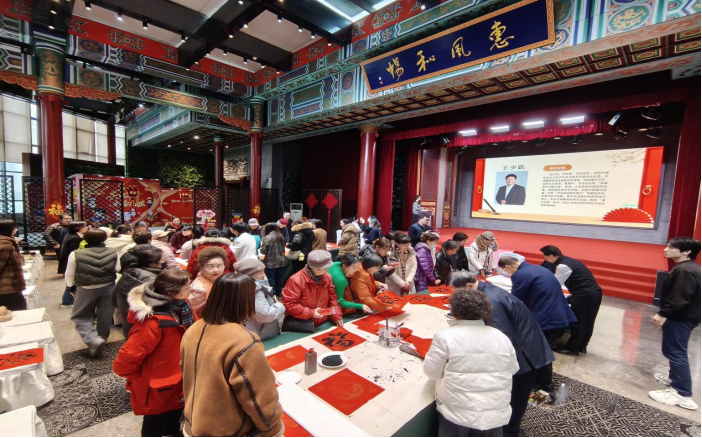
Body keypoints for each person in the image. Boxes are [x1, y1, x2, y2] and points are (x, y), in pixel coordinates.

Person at [450, 273, 555, 437]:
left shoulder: (492, 301)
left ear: (469, 286)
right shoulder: (487, 290)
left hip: (524, 356)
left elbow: (501, 337)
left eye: (458, 292)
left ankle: (510, 431)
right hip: (524, 346)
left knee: (515, 398)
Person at [181, 273, 284, 437]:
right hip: (229, 429)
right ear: (245, 301)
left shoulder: (193, 329)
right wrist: (273, 428)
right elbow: (258, 397)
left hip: (194, 421)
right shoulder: (243, 341)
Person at [423, 288, 519, 437]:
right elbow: (513, 368)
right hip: (494, 411)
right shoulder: (500, 336)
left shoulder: (444, 336)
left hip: (457, 413)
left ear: (454, 311)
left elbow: (432, 372)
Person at [114, 269, 194, 438]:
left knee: (174, 414)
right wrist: (139, 377)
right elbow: (127, 358)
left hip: (179, 378)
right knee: (155, 421)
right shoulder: (154, 323)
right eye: (187, 287)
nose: (191, 289)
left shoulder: (182, 307)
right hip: (159, 384)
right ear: (171, 293)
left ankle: (172, 433)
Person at [498, 256, 576, 393]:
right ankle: (542, 379)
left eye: (505, 270)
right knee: (543, 349)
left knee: (540, 350)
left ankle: (545, 383)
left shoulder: (520, 274)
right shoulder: (538, 268)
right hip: (559, 313)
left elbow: (515, 300)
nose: (507, 273)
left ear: (508, 267)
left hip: (547, 318)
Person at [648, 237, 701, 411]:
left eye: (671, 247)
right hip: (685, 317)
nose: (665, 249)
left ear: (686, 251)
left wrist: (663, 313)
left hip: (680, 318)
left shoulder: (685, 270)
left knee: (676, 352)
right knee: (675, 351)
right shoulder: (688, 267)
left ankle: (682, 393)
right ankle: (674, 379)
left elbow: (680, 298)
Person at [65, 230, 120, 358]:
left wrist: (70, 286)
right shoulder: (113, 252)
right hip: (108, 287)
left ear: (85, 238)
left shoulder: (76, 254)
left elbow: (69, 274)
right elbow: (117, 269)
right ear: (104, 239)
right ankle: (102, 339)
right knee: (105, 315)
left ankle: (93, 340)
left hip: (85, 288)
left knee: (81, 316)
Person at [541, 245, 603, 356]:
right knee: (588, 321)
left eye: (546, 258)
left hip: (584, 295)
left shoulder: (563, 266)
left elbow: (554, 284)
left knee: (578, 322)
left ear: (551, 256)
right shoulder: (570, 261)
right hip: (593, 293)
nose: (546, 260)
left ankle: (572, 348)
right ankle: (582, 346)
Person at [282, 250, 343, 327]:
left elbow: (332, 298)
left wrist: (336, 315)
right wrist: (312, 313)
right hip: (304, 324)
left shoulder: (327, 277)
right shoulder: (295, 280)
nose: (327, 270)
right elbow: (290, 304)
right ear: (315, 268)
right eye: (324, 268)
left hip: (323, 321)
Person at [112, 248, 164, 339]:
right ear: (152, 264)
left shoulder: (129, 272)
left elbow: (114, 297)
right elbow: (157, 306)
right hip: (144, 326)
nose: (164, 262)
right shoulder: (151, 279)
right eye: (162, 261)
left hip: (128, 321)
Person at [235, 259, 286, 340]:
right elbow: (265, 315)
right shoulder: (255, 291)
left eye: (263, 271)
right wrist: (279, 305)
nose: (263, 275)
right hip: (262, 333)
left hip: (256, 330)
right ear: (250, 276)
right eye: (260, 273)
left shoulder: (244, 287)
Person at [188, 247, 228, 318]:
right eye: (210, 267)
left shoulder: (223, 279)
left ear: (224, 266)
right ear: (201, 267)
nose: (216, 270)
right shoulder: (199, 289)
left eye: (219, 266)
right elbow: (190, 312)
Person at [57, 221, 88, 308]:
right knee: (72, 282)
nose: (87, 228)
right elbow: (74, 253)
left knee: (71, 282)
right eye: (85, 226)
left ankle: (68, 300)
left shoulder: (71, 235)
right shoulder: (75, 238)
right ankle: (67, 301)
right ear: (79, 228)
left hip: (68, 261)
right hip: (71, 262)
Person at [0, 220, 27, 311]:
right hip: (7, 287)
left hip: (11, 287)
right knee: (16, 310)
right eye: (14, 228)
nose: (16, 230)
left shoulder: (9, 241)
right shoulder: (4, 244)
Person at [260, 222, 287, 297]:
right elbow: (283, 249)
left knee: (270, 278)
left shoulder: (267, 237)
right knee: (279, 278)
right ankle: (279, 292)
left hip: (270, 261)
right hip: (281, 260)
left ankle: (272, 293)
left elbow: (263, 251)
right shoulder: (281, 236)